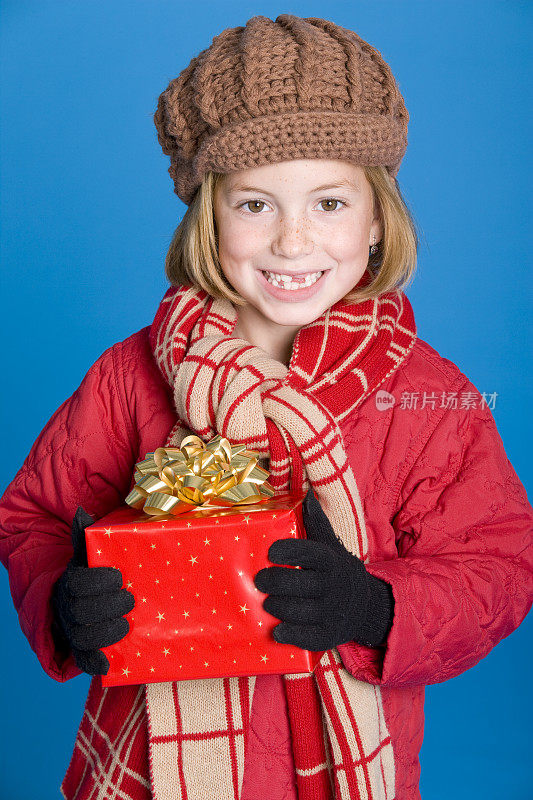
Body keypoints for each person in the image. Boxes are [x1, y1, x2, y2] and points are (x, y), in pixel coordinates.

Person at [0, 12, 531, 800]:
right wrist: (65, 599)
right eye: (254, 205)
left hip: (340, 765)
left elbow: (498, 560)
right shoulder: (131, 376)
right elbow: (34, 517)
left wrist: (376, 606)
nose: (291, 241)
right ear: (207, 214)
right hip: (149, 767)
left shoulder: (431, 395)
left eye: (328, 203)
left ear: (379, 216)